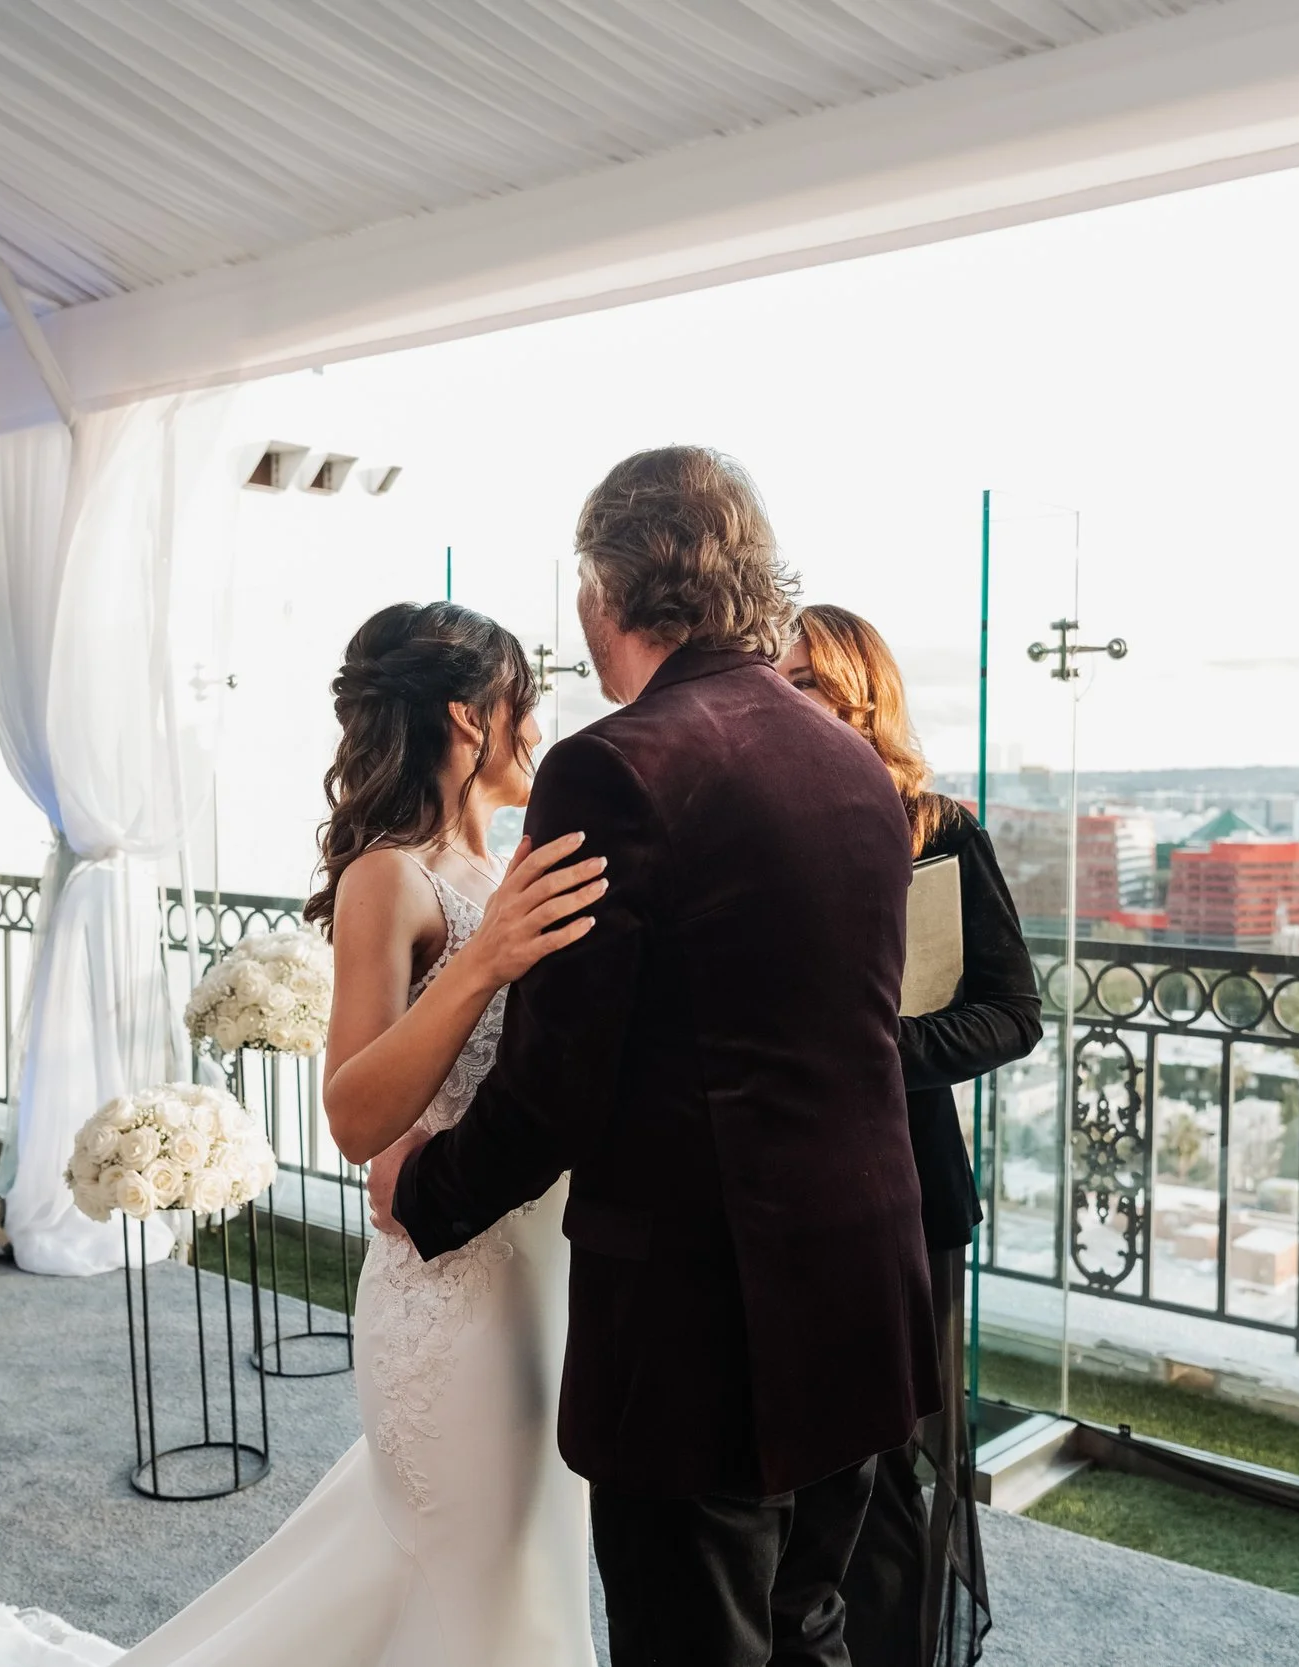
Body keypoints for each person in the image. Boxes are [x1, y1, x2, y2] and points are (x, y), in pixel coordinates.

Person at [0, 600, 610, 1666]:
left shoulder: (498, 875)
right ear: (470, 715)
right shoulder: (390, 877)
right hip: (453, 1294)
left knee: (523, 1566)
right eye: (526, 699)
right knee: (478, 1583)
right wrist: (487, 960)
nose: (539, 725)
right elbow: (354, 1115)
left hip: (544, 1274)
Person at [381, 448, 938, 1667]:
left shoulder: (613, 764)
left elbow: (557, 1081)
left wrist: (423, 1185)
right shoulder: (849, 758)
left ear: (604, 587)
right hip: (862, 1284)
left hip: (706, 1324)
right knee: (809, 1626)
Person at [776, 604, 1043, 1667]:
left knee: (888, 1463)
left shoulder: (937, 827)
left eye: (805, 680)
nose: (782, 695)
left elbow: (1012, 1013)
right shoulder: (752, 825)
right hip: (779, 1189)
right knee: (799, 1464)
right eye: (775, 677)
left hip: (908, 1188)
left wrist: (871, 1048)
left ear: (862, 698)